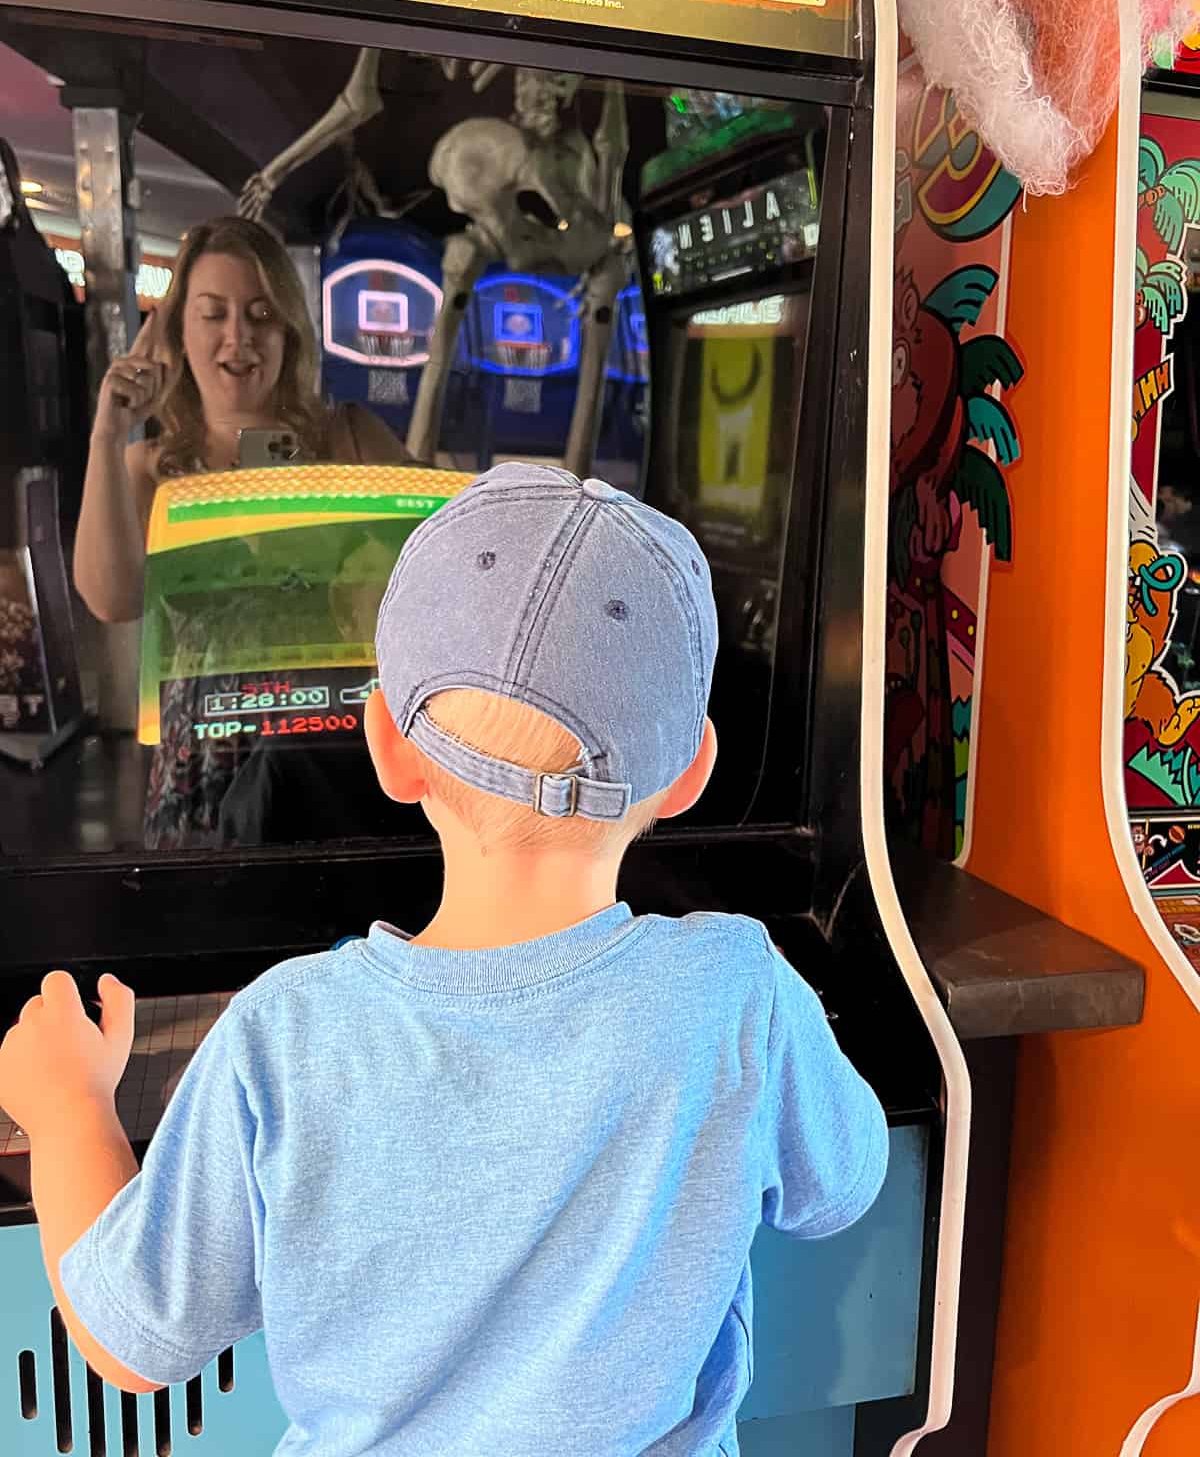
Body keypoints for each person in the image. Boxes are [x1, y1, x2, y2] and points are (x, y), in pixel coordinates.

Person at [0, 463, 888, 1455]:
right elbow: (841, 1184)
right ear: (690, 774)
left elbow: (131, 1341)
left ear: (389, 747)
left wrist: (68, 1108)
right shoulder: (738, 994)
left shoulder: (285, 1038)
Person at [72, 214, 418, 847]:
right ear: (178, 329)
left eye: (261, 315)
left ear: (289, 331)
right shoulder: (151, 467)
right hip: (203, 772)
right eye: (214, 314)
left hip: (339, 762)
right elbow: (109, 598)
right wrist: (106, 432)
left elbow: (443, 551)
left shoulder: (349, 437)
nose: (240, 338)